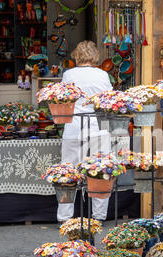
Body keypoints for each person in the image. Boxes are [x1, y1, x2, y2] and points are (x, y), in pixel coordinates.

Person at [57, 40, 112, 223]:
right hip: (97, 126)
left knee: (68, 171)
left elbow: (64, 99)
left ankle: (65, 216)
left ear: (77, 56)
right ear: (95, 56)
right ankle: (99, 214)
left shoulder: (69, 74)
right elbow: (109, 100)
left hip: (73, 125)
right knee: (100, 170)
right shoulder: (102, 75)